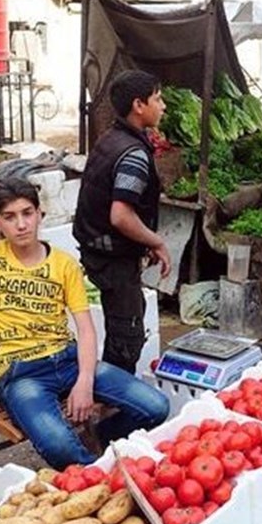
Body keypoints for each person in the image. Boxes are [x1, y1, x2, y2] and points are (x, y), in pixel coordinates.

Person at [0, 178, 169, 469]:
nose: (21, 224)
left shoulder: (64, 264)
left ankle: (99, 438)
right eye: (10, 217)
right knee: (59, 448)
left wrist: (84, 381)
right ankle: (97, 474)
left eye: (27, 213)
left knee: (156, 407)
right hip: (19, 373)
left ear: (39, 215)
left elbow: (85, 329)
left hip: (69, 360)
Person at [73, 70, 170, 374]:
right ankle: (111, 406)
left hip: (97, 247)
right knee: (126, 339)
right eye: (158, 98)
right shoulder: (133, 154)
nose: (163, 105)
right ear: (139, 105)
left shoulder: (110, 138)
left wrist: (143, 242)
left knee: (127, 323)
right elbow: (121, 215)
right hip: (112, 257)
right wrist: (156, 240)